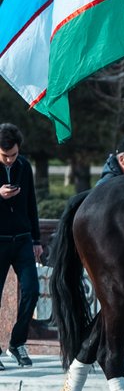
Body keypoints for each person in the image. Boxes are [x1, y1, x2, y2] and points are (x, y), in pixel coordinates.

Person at [0, 123, 42, 369]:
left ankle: (17, 343)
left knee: (32, 290)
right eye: (4, 156)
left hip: (23, 239)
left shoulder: (24, 166)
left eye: (13, 155)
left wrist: (36, 239)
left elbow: (31, 202)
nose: (9, 160)